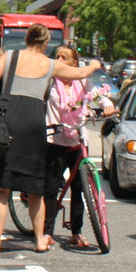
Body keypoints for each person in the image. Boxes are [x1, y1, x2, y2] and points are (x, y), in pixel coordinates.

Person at [0, 25, 102, 255]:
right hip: (35, 123)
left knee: (2, 189)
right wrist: (95, 65)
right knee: (35, 188)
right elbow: (81, 73)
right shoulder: (50, 64)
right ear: (46, 43)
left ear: (26, 38)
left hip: (9, 120)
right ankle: (39, 240)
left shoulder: (10, 57)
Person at [44, 43, 102, 248]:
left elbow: (98, 96)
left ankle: (76, 232)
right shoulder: (50, 81)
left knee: (79, 187)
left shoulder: (82, 81)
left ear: (74, 63)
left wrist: (108, 105)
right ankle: (47, 232)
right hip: (54, 138)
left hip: (77, 139)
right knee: (50, 188)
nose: (59, 61)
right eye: (57, 57)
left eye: (64, 57)